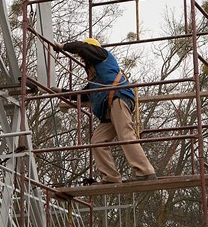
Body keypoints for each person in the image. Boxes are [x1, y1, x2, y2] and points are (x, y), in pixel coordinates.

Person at [54, 37, 157, 184]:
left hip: (118, 98)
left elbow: (83, 48)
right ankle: (111, 177)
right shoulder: (95, 78)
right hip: (109, 109)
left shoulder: (102, 55)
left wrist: (63, 46)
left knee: (125, 135)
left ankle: (146, 171)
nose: (83, 60)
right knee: (97, 141)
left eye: (84, 57)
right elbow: (83, 96)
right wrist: (62, 92)